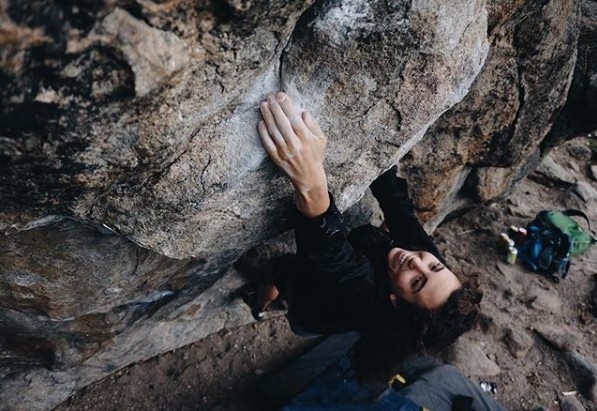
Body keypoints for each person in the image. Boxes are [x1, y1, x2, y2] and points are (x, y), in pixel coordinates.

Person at [252, 91, 482, 379]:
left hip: (312, 306)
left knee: (280, 270)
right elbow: (399, 209)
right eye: (434, 266)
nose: (417, 261)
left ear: (396, 302)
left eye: (417, 282)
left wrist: (311, 179)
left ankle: (259, 306)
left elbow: (333, 255)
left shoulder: (367, 302)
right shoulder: (424, 260)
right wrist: (379, 145)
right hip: (338, 287)